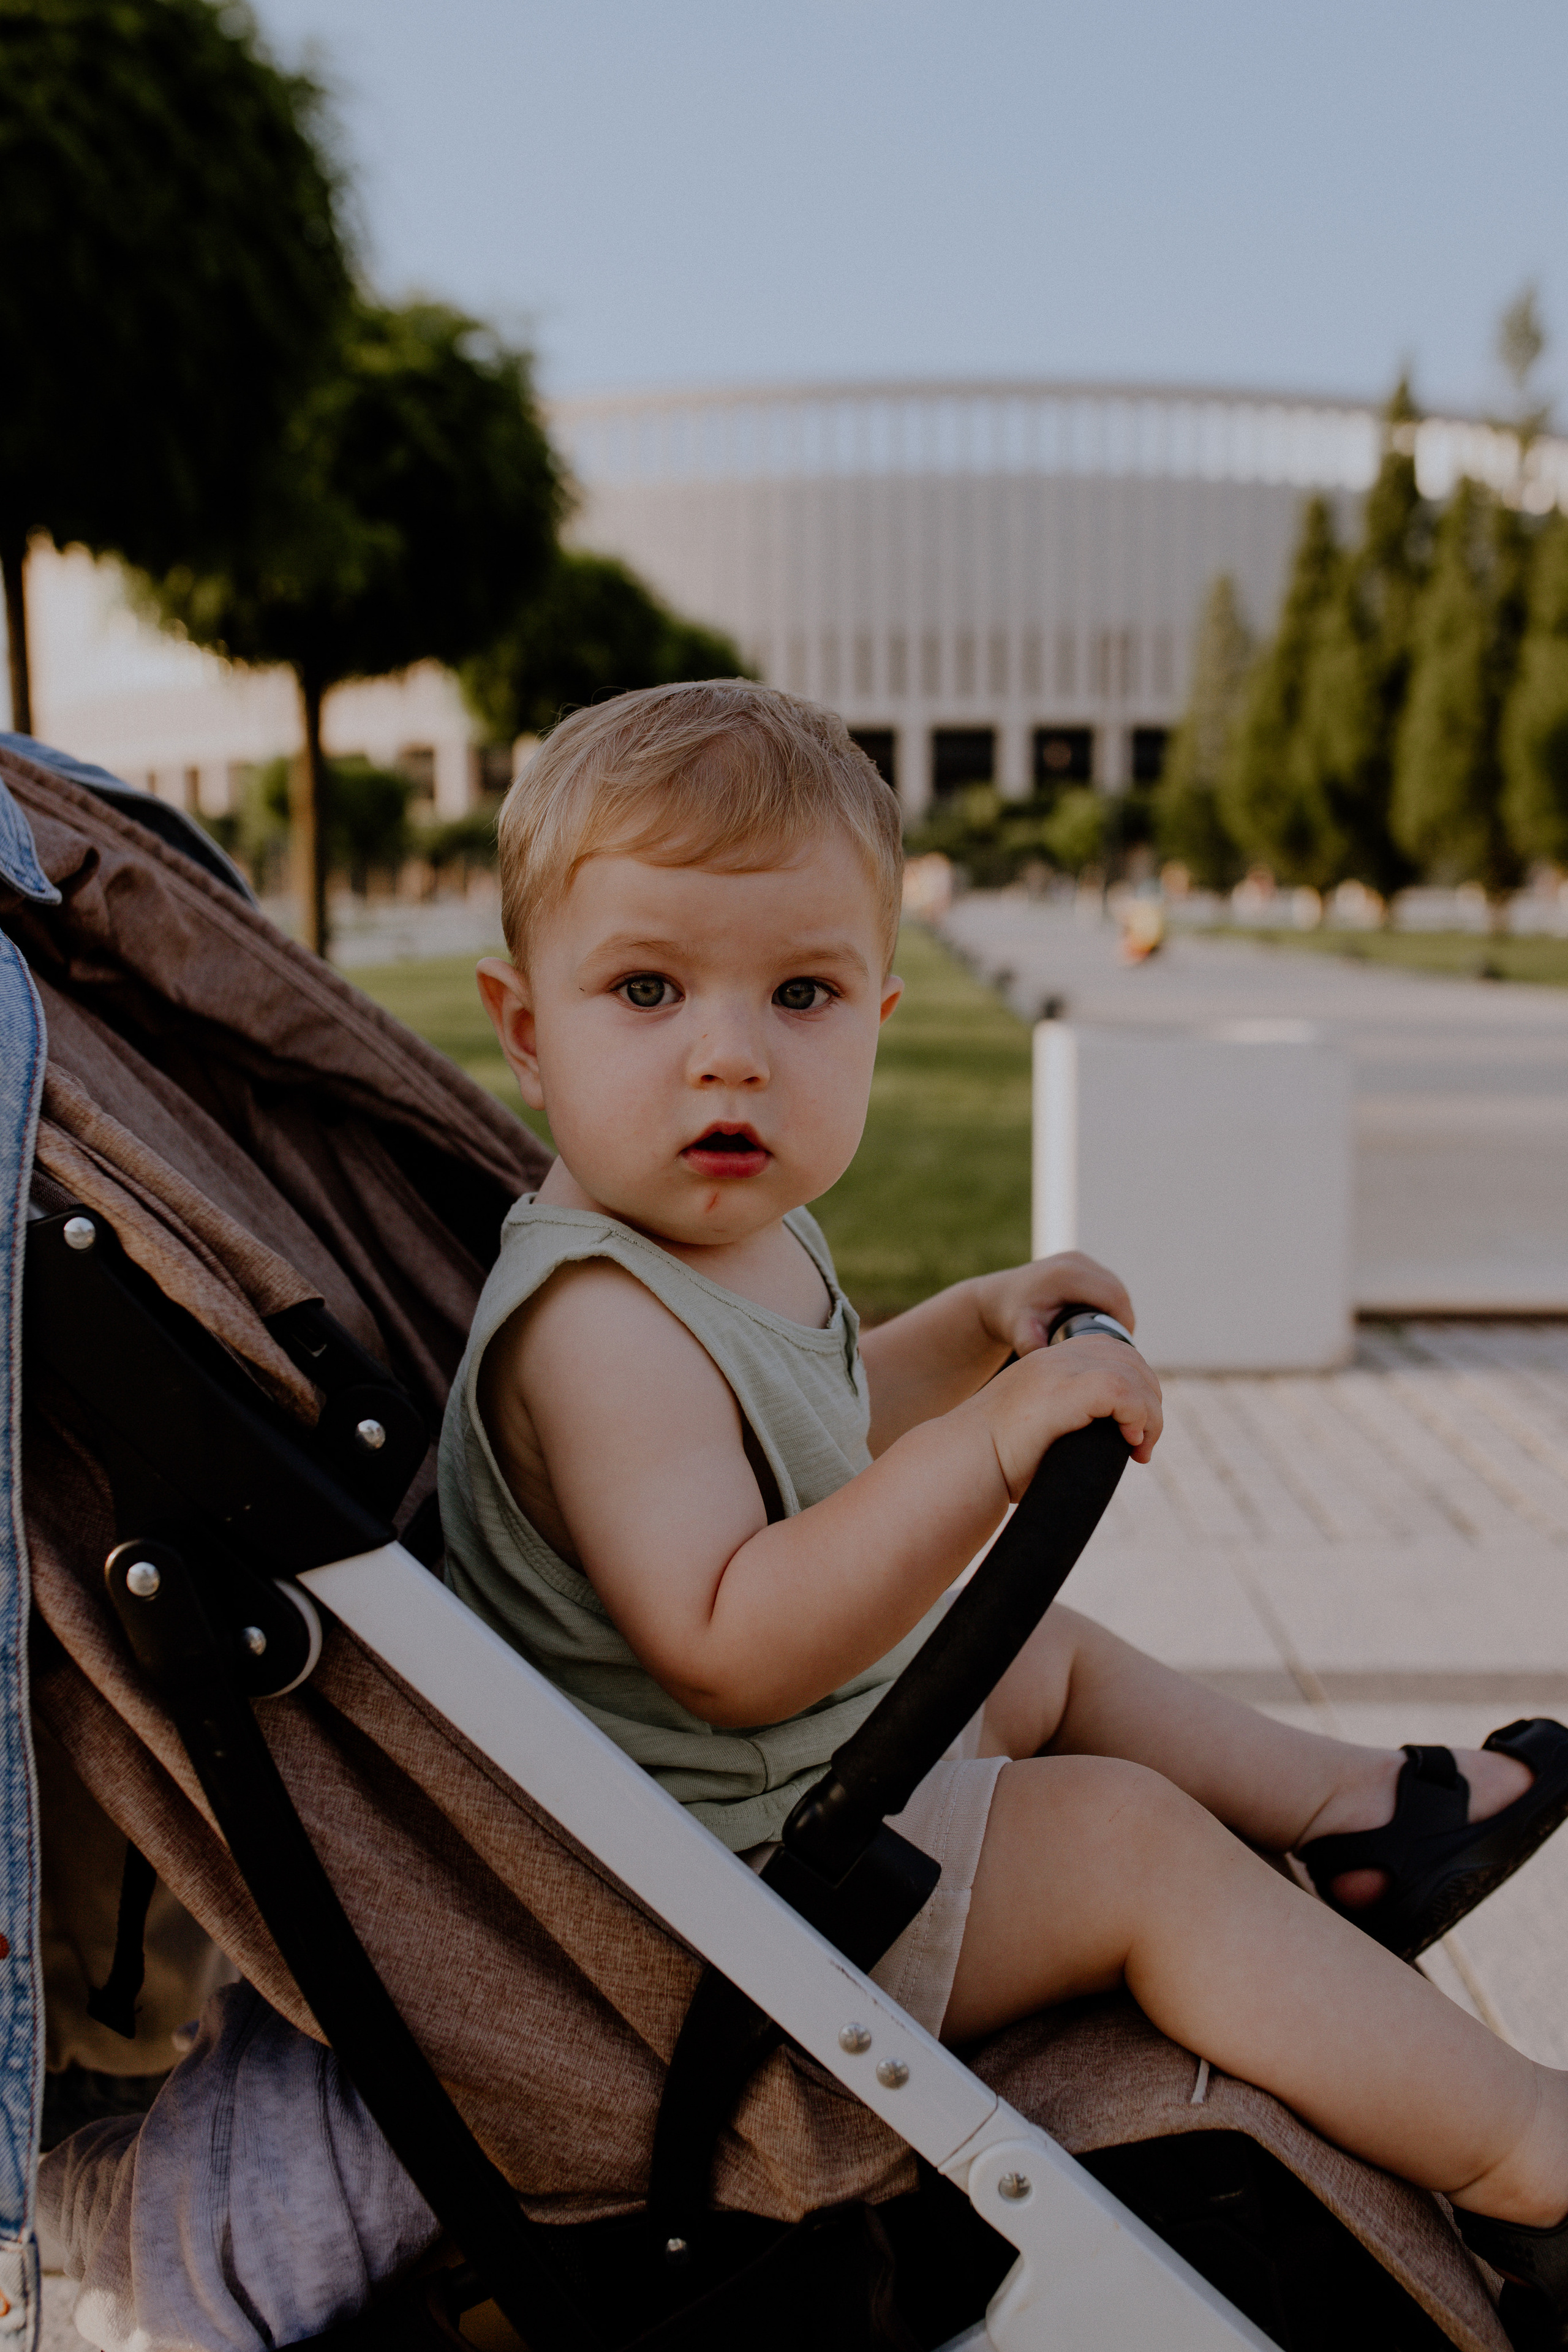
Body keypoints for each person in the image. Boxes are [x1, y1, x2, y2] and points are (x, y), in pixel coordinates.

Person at [440, 677, 1568, 2320]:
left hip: (779, 1798)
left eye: (803, 993)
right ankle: (1529, 2151)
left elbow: (803, 1413)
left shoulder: (712, 1235)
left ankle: (1359, 1821)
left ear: (878, 1017)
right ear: (527, 1026)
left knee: (1037, 1651)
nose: (732, 1053)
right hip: (715, 1903)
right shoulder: (600, 1329)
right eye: (647, 988)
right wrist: (987, 1453)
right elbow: (726, 1642)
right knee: (1124, 1850)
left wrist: (967, 1338)